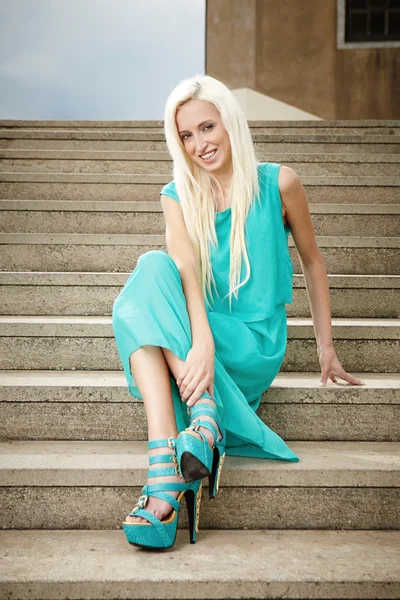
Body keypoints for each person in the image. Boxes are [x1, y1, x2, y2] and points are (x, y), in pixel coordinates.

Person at [112, 74, 363, 550]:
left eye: (207, 127)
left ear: (230, 121)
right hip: (199, 341)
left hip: (251, 344)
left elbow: (312, 260)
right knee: (152, 268)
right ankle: (181, 447)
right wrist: (201, 341)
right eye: (186, 135)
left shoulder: (279, 183)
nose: (199, 144)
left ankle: (189, 439)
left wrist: (326, 348)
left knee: (147, 321)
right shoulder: (177, 195)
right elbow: (184, 272)